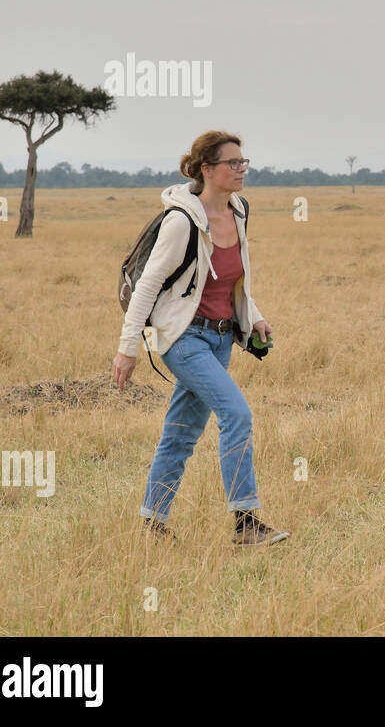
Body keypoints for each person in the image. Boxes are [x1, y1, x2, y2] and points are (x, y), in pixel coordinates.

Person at [112, 131, 288, 546]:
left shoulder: (240, 211)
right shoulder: (182, 222)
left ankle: (152, 525)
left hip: (222, 340)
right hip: (184, 341)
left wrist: (254, 318)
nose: (242, 169)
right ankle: (245, 523)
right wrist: (127, 350)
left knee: (179, 435)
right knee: (237, 415)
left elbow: (231, 281)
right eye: (233, 163)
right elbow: (146, 288)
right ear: (207, 169)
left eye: (244, 162)